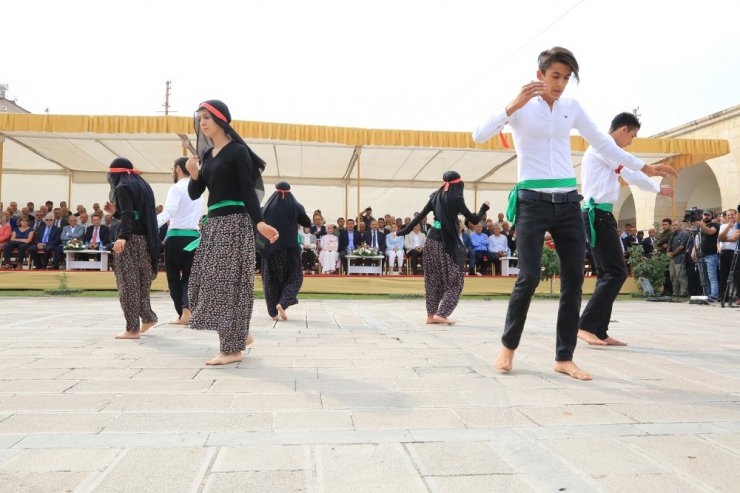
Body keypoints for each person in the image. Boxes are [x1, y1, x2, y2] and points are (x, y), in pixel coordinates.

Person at [472, 46, 677, 380]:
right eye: (555, 76)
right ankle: (508, 347)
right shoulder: (521, 109)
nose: (561, 83)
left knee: (574, 278)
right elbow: (479, 134)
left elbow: (603, 143)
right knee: (528, 276)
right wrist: (512, 104)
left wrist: (644, 167)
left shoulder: (571, 108)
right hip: (531, 201)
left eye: (566, 78)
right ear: (540, 75)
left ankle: (564, 357)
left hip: (568, 201)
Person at [186, 100, 278, 366]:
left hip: (234, 223)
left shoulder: (237, 151)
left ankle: (231, 348)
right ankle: (240, 334)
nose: (202, 123)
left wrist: (259, 222)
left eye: (207, 118)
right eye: (200, 118)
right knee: (201, 284)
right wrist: (194, 174)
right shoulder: (208, 156)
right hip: (212, 225)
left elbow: (248, 190)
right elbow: (196, 193)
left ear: (220, 120)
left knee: (225, 285)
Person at [577, 112, 673, 347]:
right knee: (615, 273)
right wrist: (650, 173)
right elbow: (628, 165)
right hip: (596, 215)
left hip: (602, 215)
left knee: (609, 273)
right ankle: (585, 326)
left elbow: (628, 173)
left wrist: (655, 188)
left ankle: (599, 331)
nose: (631, 141)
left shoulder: (608, 151)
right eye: (632, 135)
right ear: (623, 130)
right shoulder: (604, 145)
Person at [398, 171, 489, 324]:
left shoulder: (435, 195)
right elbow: (473, 219)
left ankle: (431, 316)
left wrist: (403, 231)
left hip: (431, 242)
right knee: (455, 281)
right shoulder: (457, 198)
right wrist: (484, 208)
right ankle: (442, 314)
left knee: (433, 280)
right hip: (447, 243)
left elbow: (419, 217)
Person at [105, 157, 160, 340]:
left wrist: (122, 237)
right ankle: (148, 317)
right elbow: (137, 214)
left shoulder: (122, 187)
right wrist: (115, 212)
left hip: (129, 241)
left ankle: (132, 328)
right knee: (141, 283)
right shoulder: (141, 184)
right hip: (144, 240)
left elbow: (129, 214)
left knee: (128, 285)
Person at [156, 157, 203, 325]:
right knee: (190, 277)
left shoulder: (176, 188)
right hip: (194, 238)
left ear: (177, 168)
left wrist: (149, 224)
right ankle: (187, 310)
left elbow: (168, 212)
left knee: (174, 278)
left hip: (176, 237)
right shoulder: (198, 189)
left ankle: (183, 313)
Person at [259, 182, 311, 321]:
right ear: (289, 191)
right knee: (295, 276)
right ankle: (283, 303)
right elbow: (307, 223)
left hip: (271, 248)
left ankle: (273, 312)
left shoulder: (266, 207)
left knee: (270, 279)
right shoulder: (296, 206)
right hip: (290, 249)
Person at [691, 210, 720, 300]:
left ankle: (714, 295)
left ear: (712, 217)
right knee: (704, 277)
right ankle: (707, 295)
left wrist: (701, 225)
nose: (706, 216)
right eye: (705, 215)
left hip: (711, 255)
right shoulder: (700, 227)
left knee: (712, 277)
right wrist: (694, 251)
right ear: (702, 216)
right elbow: (697, 241)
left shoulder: (715, 225)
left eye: (708, 215)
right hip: (701, 255)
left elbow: (711, 232)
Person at [718, 209, 738, 303]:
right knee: (723, 275)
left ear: (736, 215)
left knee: (736, 275)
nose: (730, 216)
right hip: (724, 252)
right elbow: (720, 238)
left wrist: (725, 239)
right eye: (728, 215)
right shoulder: (723, 226)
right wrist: (728, 228)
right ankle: (723, 296)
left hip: (735, 252)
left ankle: (737, 296)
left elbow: (735, 239)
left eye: (732, 215)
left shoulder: (738, 225)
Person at [667, 220, 690, 297]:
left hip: (680, 258)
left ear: (680, 226)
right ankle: (675, 292)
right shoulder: (672, 235)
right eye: (673, 225)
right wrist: (668, 253)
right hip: (672, 259)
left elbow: (681, 246)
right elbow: (669, 245)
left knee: (681, 276)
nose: (674, 226)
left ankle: (683, 293)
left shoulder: (684, 234)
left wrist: (672, 254)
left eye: (676, 225)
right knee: (673, 276)